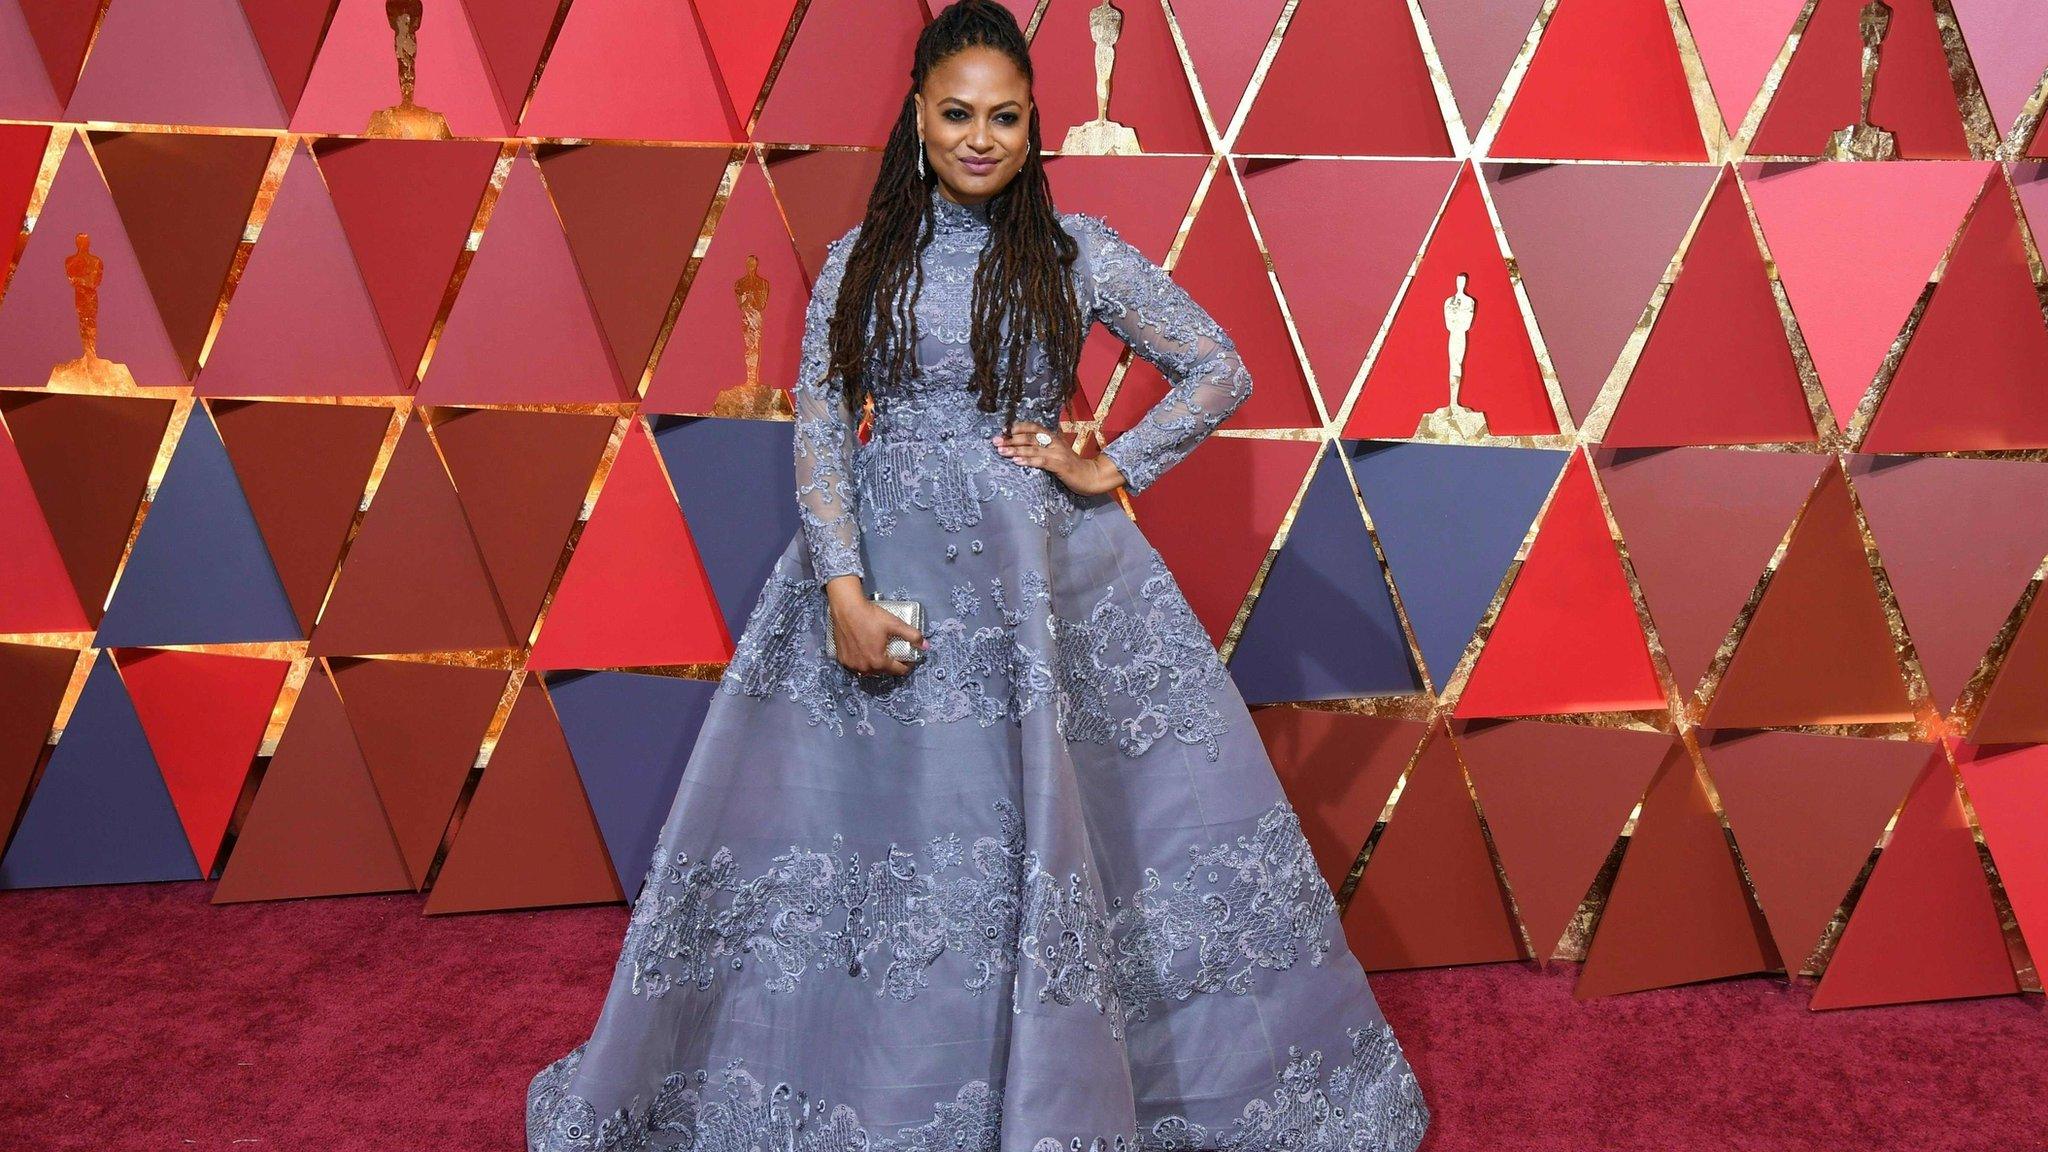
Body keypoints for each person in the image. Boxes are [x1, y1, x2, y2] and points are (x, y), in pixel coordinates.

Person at [525, 3, 1431, 1148]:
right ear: (915, 115)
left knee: (1062, 832)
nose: (979, 138)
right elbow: (817, 418)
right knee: (879, 837)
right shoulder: (863, 259)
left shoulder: (1073, 250)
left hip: (1042, 579)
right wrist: (839, 588)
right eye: (956, 114)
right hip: (883, 570)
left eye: (1003, 116)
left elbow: (1217, 367)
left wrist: (1106, 463)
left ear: (1032, 123)